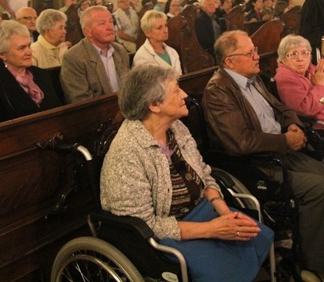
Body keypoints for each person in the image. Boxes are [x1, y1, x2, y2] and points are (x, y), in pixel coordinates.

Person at [100, 65, 274, 281]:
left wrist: (223, 211)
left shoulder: (176, 128)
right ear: (154, 105)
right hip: (168, 234)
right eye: (176, 91)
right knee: (231, 270)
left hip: (202, 211)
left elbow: (204, 173)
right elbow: (145, 226)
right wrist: (212, 230)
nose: (184, 94)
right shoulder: (127, 154)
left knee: (253, 237)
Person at [202, 30, 324, 273]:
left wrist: (292, 124)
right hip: (257, 164)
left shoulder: (253, 78)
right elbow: (240, 142)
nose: (257, 56)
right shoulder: (218, 91)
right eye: (250, 52)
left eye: (255, 51)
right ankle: (311, 267)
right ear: (230, 61)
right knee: (319, 188)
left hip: (280, 152)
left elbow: (282, 109)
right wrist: (284, 140)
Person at [0, 21, 63, 127]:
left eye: (29, 45)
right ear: (2, 54)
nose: (29, 52)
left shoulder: (42, 74)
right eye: (21, 48)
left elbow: (59, 112)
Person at [60, 6, 130, 104]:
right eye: (102, 23)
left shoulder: (119, 50)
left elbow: (129, 88)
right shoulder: (74, 57)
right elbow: (82, 101)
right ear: (88, 32)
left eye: (110, 21)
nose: (110, 27)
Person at [274, 35, 324, 131]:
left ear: (310, 56)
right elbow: (304, 109)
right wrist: (320, 85)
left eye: (304, 53)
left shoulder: (310, 69)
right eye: (293, 54)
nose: (300, 58)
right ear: (284, 60)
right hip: (321, 128)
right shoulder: (285, 78)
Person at [132, 10, 182, 76]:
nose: (165, 30)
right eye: (159, 28)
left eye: (165, 26)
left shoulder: (172, 51)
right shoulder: (142, 57)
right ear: (147, 33)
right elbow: (147, 85)